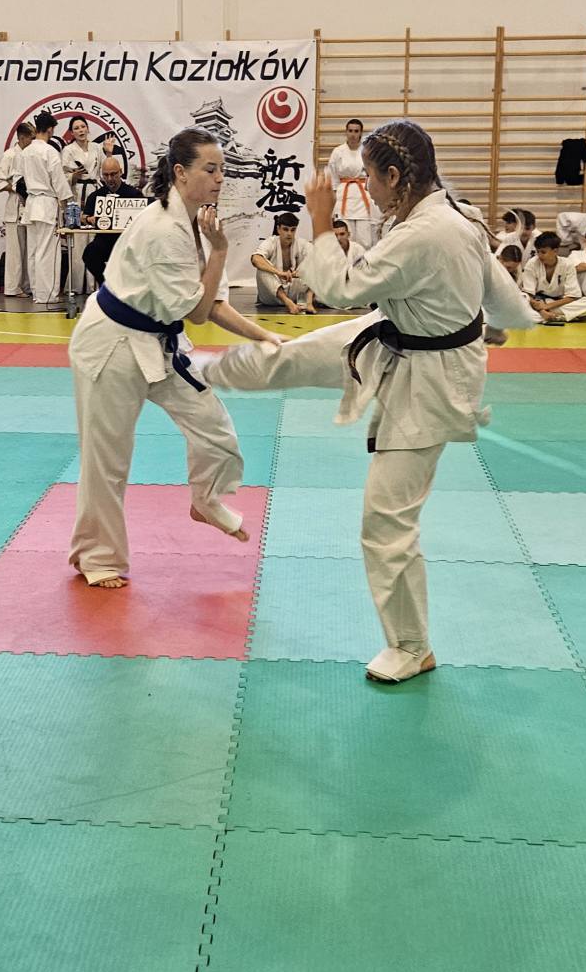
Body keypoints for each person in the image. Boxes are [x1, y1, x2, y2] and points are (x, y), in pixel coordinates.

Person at [191, 120, 538, 684]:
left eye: (371, 178)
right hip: (395, 334)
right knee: (289, 356)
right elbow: (501, 291)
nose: (367, 189)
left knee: (385, 520)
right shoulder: (443, 216)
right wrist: (495, 321)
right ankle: (199, 370)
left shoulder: (429, 231)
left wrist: (321, 220)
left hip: (431, 385)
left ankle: (411, 645)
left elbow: (342, 288)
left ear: (396, 176)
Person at [68, 126, 283, 589]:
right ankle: (97, 556)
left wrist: (265, 336)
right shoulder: (165, 229)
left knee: (215, 428)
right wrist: (222, 251)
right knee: (107, 458)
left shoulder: (194, 220)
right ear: (181, 173)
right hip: (111, 345)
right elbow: (200, 313)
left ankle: (206, 498)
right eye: (211, 169)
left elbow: (214, 303)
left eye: (222, 169)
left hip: (157, 341)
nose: (220, 178)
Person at [21, 111, 72, 305]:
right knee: (47, 251)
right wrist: (67, 202)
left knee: (34, 252)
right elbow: (58, 181)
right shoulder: (49, 151)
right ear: (50, 129)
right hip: (46, 204)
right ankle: (47, 295)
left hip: (31, 203)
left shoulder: (25, 152)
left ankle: (36, 292)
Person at [62, 116, 115, 293]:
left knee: (94, 236)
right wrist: (73, 176)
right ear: (72, 132)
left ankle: (94, 285)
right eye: (76, 128)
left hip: (94, 192)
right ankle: (76, 285)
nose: (80, 130)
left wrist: (109, 153)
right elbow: (61, 176)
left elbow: (106, 170)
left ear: (87, 128)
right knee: (78, 240)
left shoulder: (97, 148)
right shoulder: (68, 150)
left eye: (83, 126)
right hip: (76, 193)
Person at [80, 157, 145, 286]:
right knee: (89, 254)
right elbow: (83, 217)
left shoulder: (134, 194)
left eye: (113, 174)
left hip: (127, 240)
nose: (110, 179)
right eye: (106, 175)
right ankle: (107, 285)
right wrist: (88, 219)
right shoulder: (95, 196)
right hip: (104, 240)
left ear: (121, 172)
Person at [0, 121, 35, 295]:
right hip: (15, 206)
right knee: (15, 251)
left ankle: (26, 285)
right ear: (22, 138)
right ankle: (12, 288)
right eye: (31, 138)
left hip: (29, 205)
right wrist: (17, 188)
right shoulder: (10, 155)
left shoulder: (30, 155)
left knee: (27, 250)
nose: (33, 141)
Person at [522, 231, 586, 323]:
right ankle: (554, 316)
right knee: (523, 298)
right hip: (538, 302)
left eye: (543, 252)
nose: (539, 255)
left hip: (558, 303)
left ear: (555, 251)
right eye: (538, 251)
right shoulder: (532, 264)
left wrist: (547, 307)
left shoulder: (567, 264)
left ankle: (550, 316)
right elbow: (529, 294)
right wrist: (542, 310)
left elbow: (573, 296)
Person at [327, 119, 381, 248]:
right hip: (343, 196)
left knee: (365, 238)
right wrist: (332, 205)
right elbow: (333, 179)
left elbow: (374, 174)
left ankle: (364, 260)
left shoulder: (367, 151)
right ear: (346, 132)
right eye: (350, 131)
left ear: (361, 133)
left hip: (364, 196)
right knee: (345, 237)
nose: (353, 134)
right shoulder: (338, 152)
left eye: (356, 131)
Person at [251, 212, 316, 314]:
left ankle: (308, 302)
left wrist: (301, 271)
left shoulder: (301, 243)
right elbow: (255, 259)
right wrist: (279, 273)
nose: (289, 233)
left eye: (293, 230)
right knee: (262, 270)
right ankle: (288, 303)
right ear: (278, 229)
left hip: (294, 293)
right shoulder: (271, 242)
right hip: (271, 296)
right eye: (285, 229)